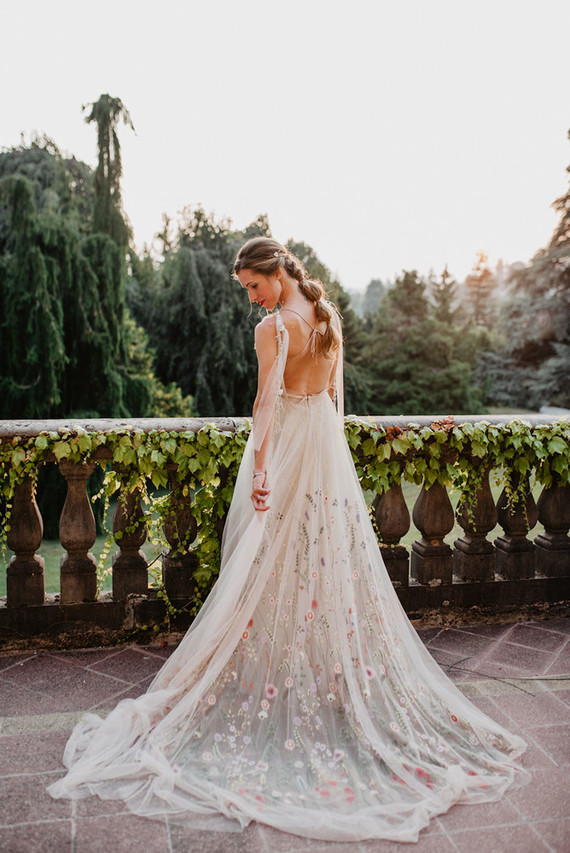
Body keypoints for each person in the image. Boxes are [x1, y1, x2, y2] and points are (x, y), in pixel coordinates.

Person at [48, 237, 528, 843]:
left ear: (276, 273)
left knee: (270, 562)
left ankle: (277, 674)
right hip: (325, 448)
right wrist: (329, 454)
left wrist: (262, 469)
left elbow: (265, 402)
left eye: (253, 285)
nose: (252, 298)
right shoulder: (329, 316)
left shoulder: (274, 328)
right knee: (321, 558)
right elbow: (335, 398)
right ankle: (319, 674)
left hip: (292, 448)